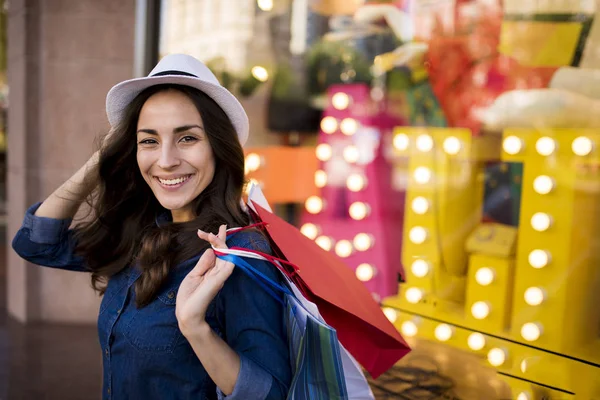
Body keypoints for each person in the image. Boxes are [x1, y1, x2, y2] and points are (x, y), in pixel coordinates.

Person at [11, 54, 292, 400]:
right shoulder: (140, 232)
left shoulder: (237, 253)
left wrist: (195, 328)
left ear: (219, 148)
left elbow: (270, 393)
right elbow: (35, 242)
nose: (166, 160)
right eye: (149, 140)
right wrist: (104, 157)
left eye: (187, 138)